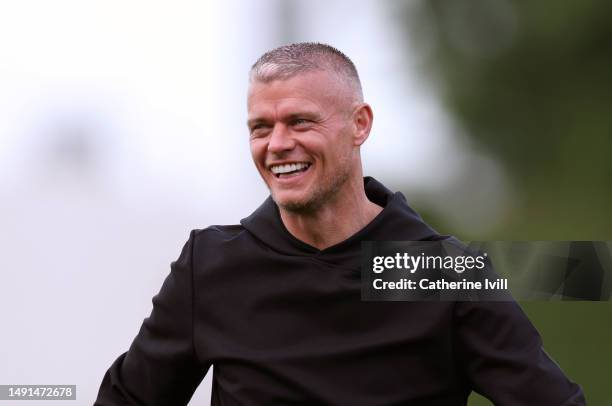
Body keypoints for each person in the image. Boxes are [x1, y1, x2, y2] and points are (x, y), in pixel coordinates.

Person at [95, 43, 585, 405]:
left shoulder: (447, 273)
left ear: (360, 124)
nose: (277, 144)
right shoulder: (211, 267)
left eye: (300, 122)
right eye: (260, 128)